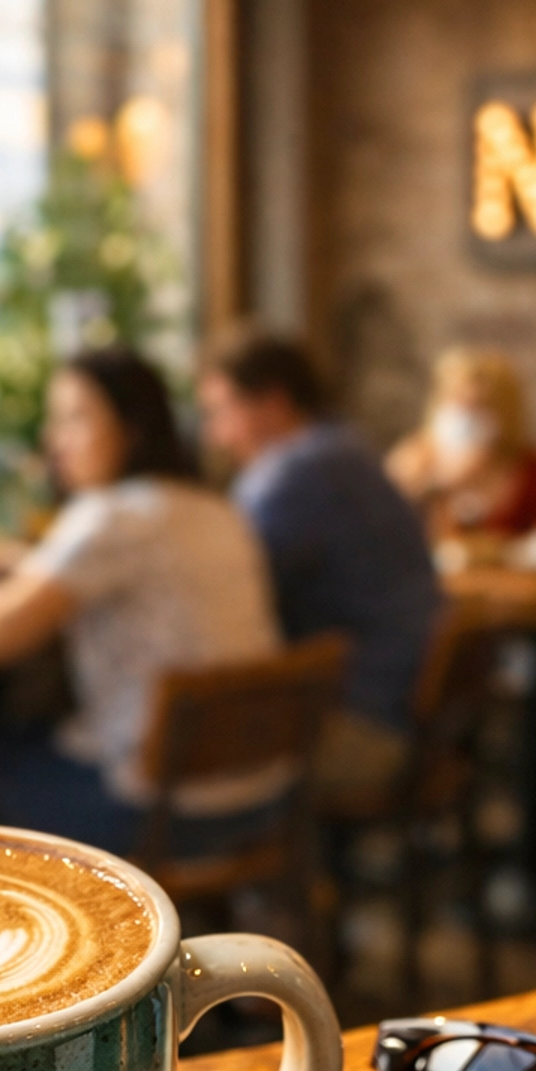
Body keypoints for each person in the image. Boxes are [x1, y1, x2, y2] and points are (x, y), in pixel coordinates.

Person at [0, 347, 282, 856]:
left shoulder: (108, 516)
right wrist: (11, 562)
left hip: (153, 811)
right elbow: (91, 564)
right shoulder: (216, 508)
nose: (55, 440)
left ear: (132, 427)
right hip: (261, 794)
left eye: (75, 418)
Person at [198, 325, 441, 804]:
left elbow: (223, 587)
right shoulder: (344, 450)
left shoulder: (294, 475)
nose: (216, 434)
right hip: (409, 715)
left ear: (272, 403)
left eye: (222, 411)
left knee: (163, 760)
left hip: (360, 727)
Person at [386, 347, 536, 544]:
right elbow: (386, 528)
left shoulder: (532, 467)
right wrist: (439, 484)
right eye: (456, 401)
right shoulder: (414, 458)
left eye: (478, 406)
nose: (465, 416)